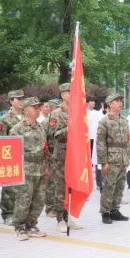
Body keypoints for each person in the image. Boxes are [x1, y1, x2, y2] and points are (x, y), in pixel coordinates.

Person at [10, 97, 49, 240]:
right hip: (25, 169)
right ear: (26, 110)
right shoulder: (17, 129)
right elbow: (13, 152)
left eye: (39, 107)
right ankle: (19, 227)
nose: (38, 110)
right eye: (35, 107)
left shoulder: (40, 127)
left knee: (39, 199)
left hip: (40, 168)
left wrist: (47, 167)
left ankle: (31, 225)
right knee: (24, 199)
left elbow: (45, 149)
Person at [48, 83, 82, 233]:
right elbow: (53, 134)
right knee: (61, 189)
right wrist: (69, 129)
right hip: (61, 155)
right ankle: (60, 219)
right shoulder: (56, 113)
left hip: (74, 155)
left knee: (71, 188)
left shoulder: (76, 111)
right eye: (69, 92)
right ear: (62, 95)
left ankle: (68, 217)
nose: (72, 94)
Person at [96, 93, 130, 224]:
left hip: (122, 158)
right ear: (110, 104)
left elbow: (127, 139)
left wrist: (128, 156)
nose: (120, 103)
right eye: (116, 101)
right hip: (111, 159)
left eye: (120, 100)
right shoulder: (104, 121)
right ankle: (105, 212)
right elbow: (100, 143)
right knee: (109, 187)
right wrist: (104, 162)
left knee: (120, 186)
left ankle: (115, 210)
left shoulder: (124, 120)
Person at [0, 90, 25, 226]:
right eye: (18, 99)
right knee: (9, 189)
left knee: (23, 189)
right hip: (10, 157)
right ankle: (7, 214)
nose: (21, 101)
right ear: (11, 101)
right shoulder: (4, 119)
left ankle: (20, 213)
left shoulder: (27, 117)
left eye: (22, 98)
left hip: (26, 158)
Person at [43, 99, 60, 217]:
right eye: (56, 108)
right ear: (51, 109)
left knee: (59, 184)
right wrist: (48, 157)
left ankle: (58, 207)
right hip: (51, 157)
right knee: (51, 184)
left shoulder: (61, 122)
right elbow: (43, 142)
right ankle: (49, 208)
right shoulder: (45, 123)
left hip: (61, 156)